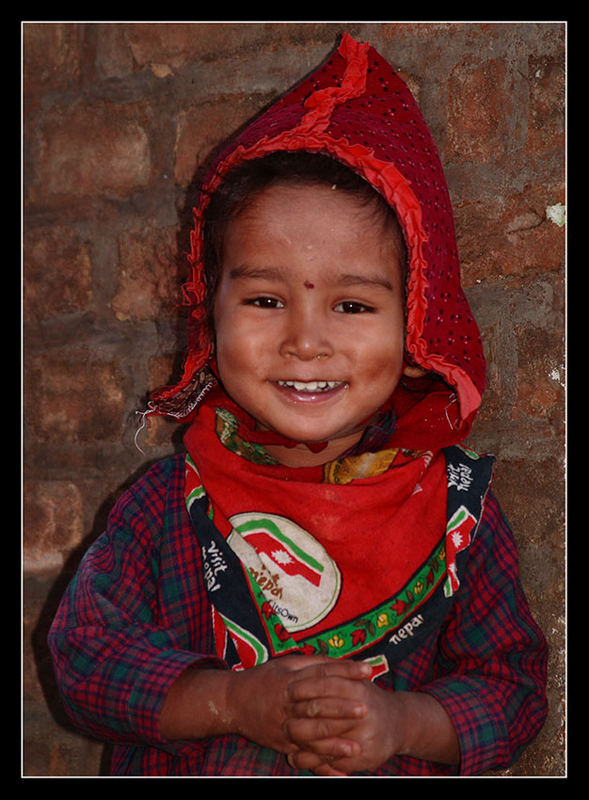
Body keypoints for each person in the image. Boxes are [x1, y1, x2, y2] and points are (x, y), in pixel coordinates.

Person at [48, 33, 548, 777]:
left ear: (416, 327)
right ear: (206, 316)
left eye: (351, 304)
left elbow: (511, 691)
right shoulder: (165, 504)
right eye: (264, 299)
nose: (305, 341)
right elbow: (84, 656)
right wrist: (230, 702)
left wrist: (400, 720)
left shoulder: (453, 515)